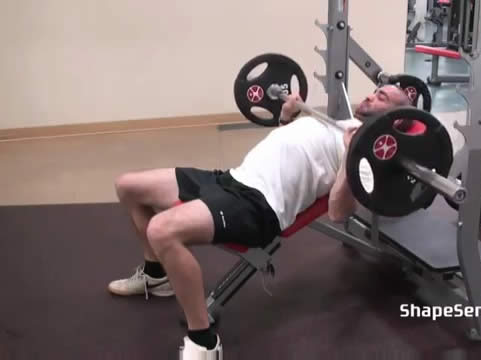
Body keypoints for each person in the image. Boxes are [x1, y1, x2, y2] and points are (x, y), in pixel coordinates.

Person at [108, 84, 412, 359]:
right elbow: (287, 150)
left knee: (162, 230)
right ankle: (156, 275)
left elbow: (338, 211)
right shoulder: (344, 124)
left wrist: (350, 154)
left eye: (381, 96)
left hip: (258, 205)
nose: (371, 95)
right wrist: (286, 116)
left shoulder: (369, 155)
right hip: (230, 178)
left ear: (395, 120)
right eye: (375, 90)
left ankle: (203, 341)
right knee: (128, 186)